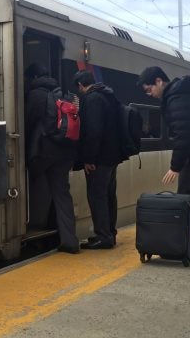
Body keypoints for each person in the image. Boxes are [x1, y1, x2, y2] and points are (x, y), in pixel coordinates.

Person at [137, 66, 190, 260]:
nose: (149, 94)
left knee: (186, 201)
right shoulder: (187, 93)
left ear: (159, 81)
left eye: (149, 89)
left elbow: (184, 134)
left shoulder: (177, 99)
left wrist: (175, 166)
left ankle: (183, 247)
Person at [25, 63, 80, 253]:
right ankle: (69, 240)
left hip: (43, 152)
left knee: (27, 183)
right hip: (64, 152)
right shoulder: (64, 93)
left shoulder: (35, 95)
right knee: (62, 194)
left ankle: (26, 227)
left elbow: (28, 123)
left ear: (32, 79)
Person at [73, 70, 120, 249]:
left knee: (96, 196)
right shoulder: (108, 95)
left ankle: (103, 236)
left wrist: (88, 158)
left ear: (80, 85)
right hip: (111, 156)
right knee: (108, 195)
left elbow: (93, 131)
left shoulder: (92, 99)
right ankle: (110, 233)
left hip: (99, 158)